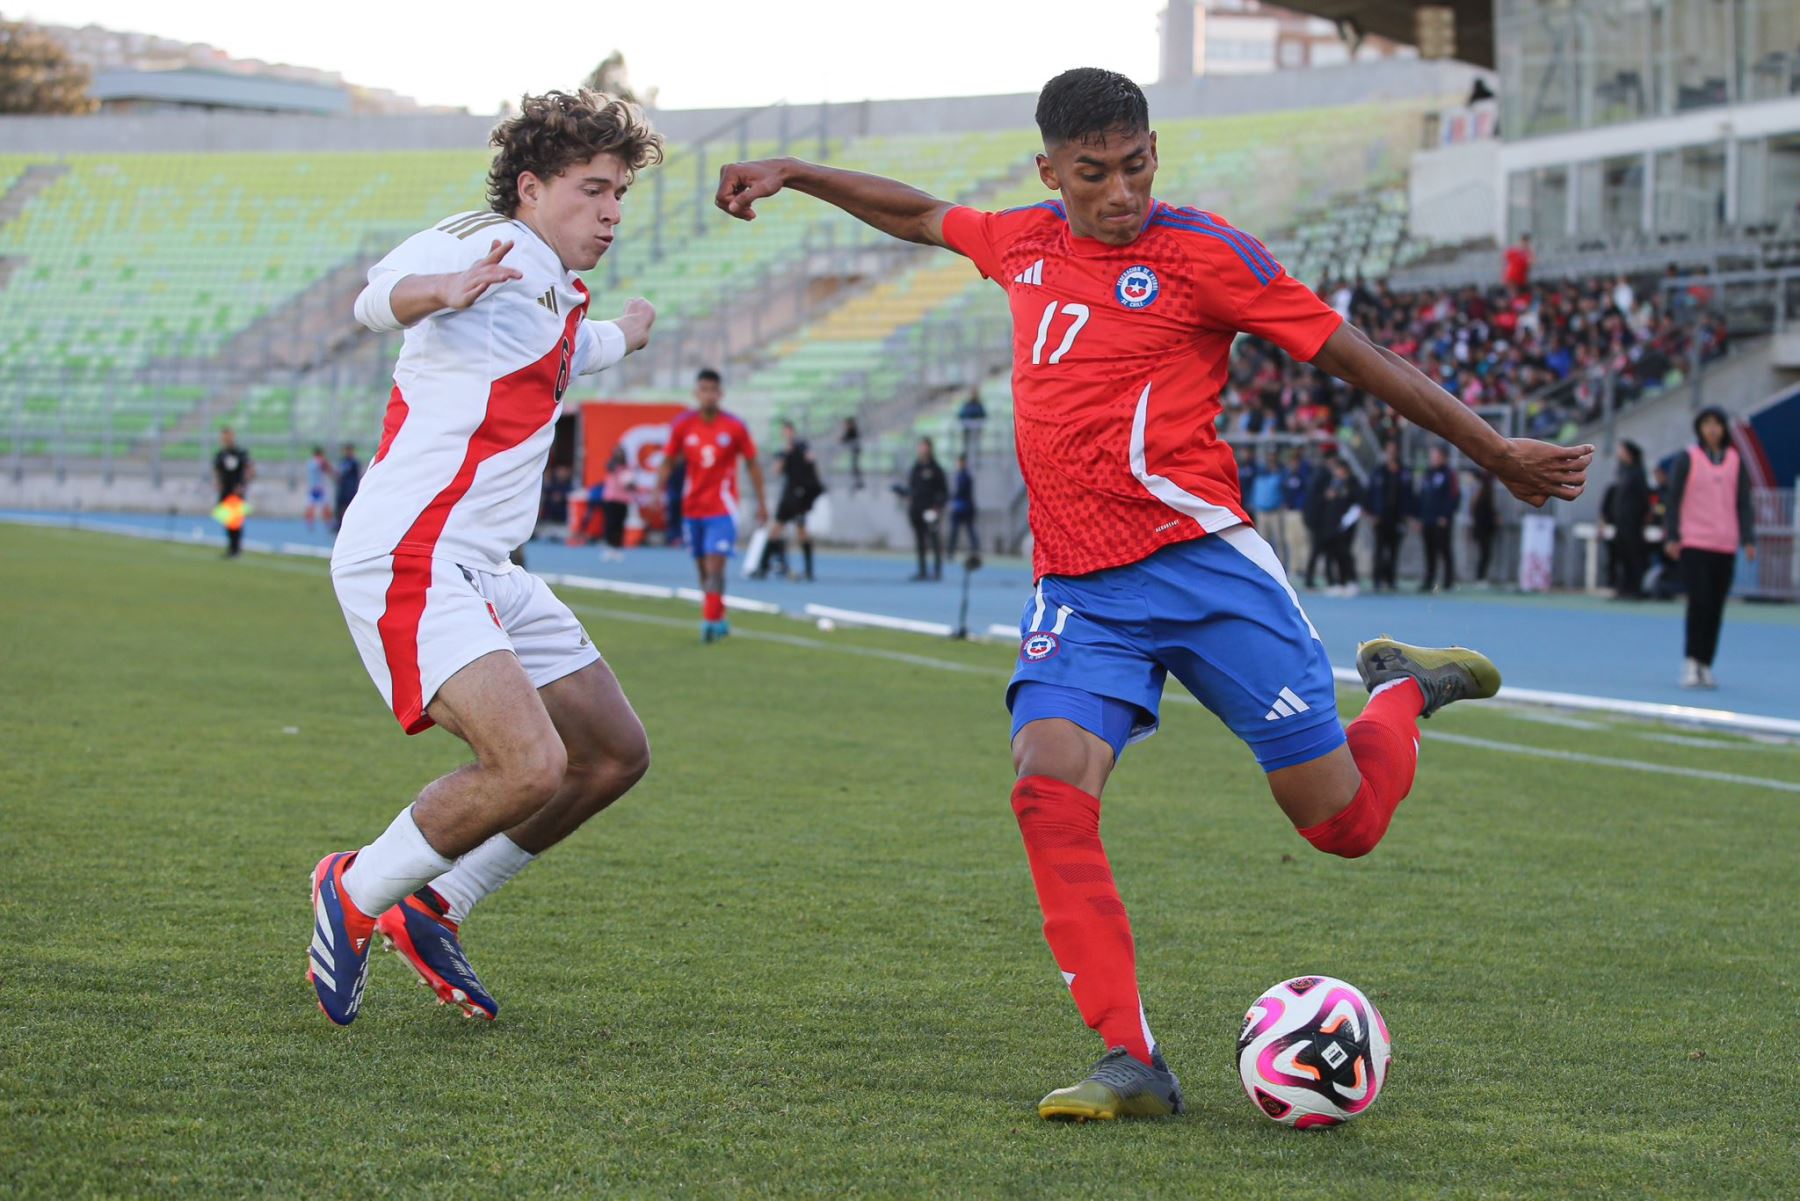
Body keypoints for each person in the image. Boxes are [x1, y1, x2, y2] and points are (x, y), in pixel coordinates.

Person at [716, 67, 1589, 1119]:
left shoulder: (1204, 254)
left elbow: (1358, 357)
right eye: (1094, 175)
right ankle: (1132, 1059)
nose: (1122, 192)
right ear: (1051, 172)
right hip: (1082, 589)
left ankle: (1402, 691)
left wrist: (1493, 450)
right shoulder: (1023, 241)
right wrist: (799, 171)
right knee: (1046, 787)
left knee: (1341, 826)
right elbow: (916, 213)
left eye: (1137, 166)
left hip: (1206, 569)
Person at [314, 88, 661, 1027]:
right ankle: (355, 889)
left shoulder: (551, 288)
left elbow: (569, 348)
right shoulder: (480, 241)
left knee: (613, 755)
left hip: (490, 566)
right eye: (595, 190)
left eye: (621, 193)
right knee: (527, 764)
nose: (612, 212)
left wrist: (628, 334)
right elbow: (374, 296)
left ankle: (439, 902)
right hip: (415, 547)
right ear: (531, 185)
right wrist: (443, 292)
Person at [656, 368, 768, 641]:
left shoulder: (734, 427)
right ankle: (718, 613)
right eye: (703, 390)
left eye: (712, 391)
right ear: (697, 393)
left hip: (722, 508)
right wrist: (657, 490)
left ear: (720, 394)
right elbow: (669, 460)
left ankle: (709, 621)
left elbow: (753, 464)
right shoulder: (684, 425)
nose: (708, 395)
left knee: (716, 566)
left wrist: (762, 503)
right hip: (692, 508)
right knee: (703, 568)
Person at [1665, 407, 1756, 688]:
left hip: (1725, 543)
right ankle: (1691, 662)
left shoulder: (1734, 460)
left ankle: (1706, 664)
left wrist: (1748, 538)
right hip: (1695, 541)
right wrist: (1673, 535)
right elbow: (1674, 497)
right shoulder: (1688, 458)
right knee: (1699, 602)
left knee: (1716, 608)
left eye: (1717, 424)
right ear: (1699, 428)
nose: (1712, 429)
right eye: (1707, 424)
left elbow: (1743, 502)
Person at [756, 420, 825, 580]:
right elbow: (776, 470)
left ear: (793, 431)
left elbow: (811, 460)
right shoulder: (783, 452)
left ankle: (808, 570)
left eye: (788, 431)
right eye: (784, 431)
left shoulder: (802, 446)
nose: (787, 434)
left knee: (802, 531)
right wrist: (785, 455)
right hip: (788, 495)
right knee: (775, 529)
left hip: (799, 495)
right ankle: (762, 566)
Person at [1365, 442, 1413, 591]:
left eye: (1393, 451)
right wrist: (1371, 513)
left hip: (1397, 517)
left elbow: (1408, 495)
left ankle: (1391, 580)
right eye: (1389, 451)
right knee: (1379, 550)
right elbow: (1371, 493)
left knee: (1394, 551)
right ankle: (1377, 580)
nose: (1391, 454)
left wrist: (1407, 516)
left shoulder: (1404, 472)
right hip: (1381, 517)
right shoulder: (1378, 471)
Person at [1609, 440, 1650, 599]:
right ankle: (1623, 588)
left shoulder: (1637, 473)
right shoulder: (1622, 472)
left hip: (1633, 522)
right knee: (1622, 555)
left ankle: (1635, 588)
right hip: (1621, 522)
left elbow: (1643, 497)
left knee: (1634, 556)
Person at [905, 436, 949, 581]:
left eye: (925, 446)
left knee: (934, 542)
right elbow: (912, 489)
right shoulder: (915, 468)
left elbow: (943, 492)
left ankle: (937, 571)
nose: (922, 449)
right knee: (920, 543)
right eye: (920, 446)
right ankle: (922, 570)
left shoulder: (936, 469)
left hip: (931, 511)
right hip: (917, 510)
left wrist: (937, 507)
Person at [1417, 445, 1461, 592]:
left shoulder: (1449, 474)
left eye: (1436, 455)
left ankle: (1449, 581)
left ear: (1443, 457)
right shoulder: (1427, 473)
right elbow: (1422, 496)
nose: (1433, 458)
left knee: (1444, 550)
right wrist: (1419, 517)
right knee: (1428, 551)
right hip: (1427, 519)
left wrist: (1445, 515)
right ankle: (1429, 580)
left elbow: (1453, 497)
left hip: (1441, 520)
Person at [212, 427, 253, 558]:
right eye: (223, 436)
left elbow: (250, 470)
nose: (225, 439)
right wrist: (217, 483)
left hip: (236, 492)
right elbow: (217, 471)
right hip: (225, 491)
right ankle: (231, 547)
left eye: (228, 436)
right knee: (227, 520)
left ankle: (236, 548)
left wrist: (243, 485)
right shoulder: (220, 454)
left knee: (236, 520)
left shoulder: (240, 453)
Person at [1323, 456, 1361, 596]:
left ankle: (1352, 581)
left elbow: (1357, 504)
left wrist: (1347, 521)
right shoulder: (1335, 483)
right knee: (1336, 553)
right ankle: (1340, 582)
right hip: (1334, 525)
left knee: (1345, 553)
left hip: (1347, 525)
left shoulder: (1353, 483)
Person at [1278, 446, 1312, 574]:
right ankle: (1294, 567)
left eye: (1295, 461)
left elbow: (1305, 492)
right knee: (1291, 540)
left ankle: (1304, 567)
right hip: (1289, 511)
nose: (1292, 464)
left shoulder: (1303, 476)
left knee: (1302, 540)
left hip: (1299, 511)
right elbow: (1284, 491)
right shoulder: (1287, 476)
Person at [1247, 446, 1285, 560]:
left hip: (1275, 511)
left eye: (1273, 455)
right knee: (1263, 541)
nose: (1271, 457)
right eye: (1270, 455)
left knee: (1279, 540)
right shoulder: (1261, 470)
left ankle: (1282, 566)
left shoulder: (1281, 471)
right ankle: (1265, 564)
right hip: (1262, 511)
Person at [599, 446, 635, 559]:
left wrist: (631, 485)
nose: (619, 455)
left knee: (619, 525)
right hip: (611, 499)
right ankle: (609, 547)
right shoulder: (612, 466)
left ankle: (618, 547)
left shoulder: (627, 468)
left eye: (621, 453)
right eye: (617, 453)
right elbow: (609, 466)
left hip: (623, 500)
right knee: (610, 524)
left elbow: (629, 483)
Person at [947, 452, 979, 558]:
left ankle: (975, 549)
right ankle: (951, 551)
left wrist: (952, 496)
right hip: (958, 507)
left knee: (969, 529)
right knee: (954, 530)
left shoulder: (966, 476)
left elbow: (962, 491)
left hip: (966, 507)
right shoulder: (958, 475)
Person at [1469, 470, 1497, 584]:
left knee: (1485, 553)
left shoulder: (1483, 494)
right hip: (1482, 528)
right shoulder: (1483, 493)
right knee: (1485, 553)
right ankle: (1480, 577)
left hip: (1483, 528)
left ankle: (1481, 576)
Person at [304, 446, 336, 531]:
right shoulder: (319, 461)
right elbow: (328, 468)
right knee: (324, 506)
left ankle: (310, 523)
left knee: (311, 506)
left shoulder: (310, 462)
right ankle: (328, 523)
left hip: (312, 487)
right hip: (319, 488)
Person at [333, 443, 361, 534]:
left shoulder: (354, 462)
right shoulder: (343, 461)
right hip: (343, 488)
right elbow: (339, 474)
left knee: (350, 507)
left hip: (350, 488)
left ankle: (351, 525)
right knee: (339, 506)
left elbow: (356, 476)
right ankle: (338, 524)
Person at [958, 389, 988, 461]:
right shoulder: (967, 404)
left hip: (976, 430)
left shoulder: (979, 405)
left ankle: (977, 460)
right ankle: (966, 461)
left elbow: (983, 415)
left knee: (976, 446)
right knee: (966, 446)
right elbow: (961, 415)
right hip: (967, 429)